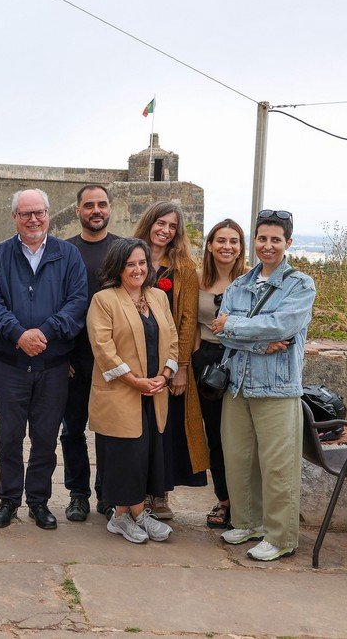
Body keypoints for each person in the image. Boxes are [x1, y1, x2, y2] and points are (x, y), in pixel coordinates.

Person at [0, 189, 87, 530]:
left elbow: (77, 301)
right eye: (25, 214)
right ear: (14, 217)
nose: (33, 219)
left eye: (38, 212)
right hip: (11, 364)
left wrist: (46, 331)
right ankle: (9, 499)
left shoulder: (67, 255)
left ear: (48, 213)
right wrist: (18, 334)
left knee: (45, 438)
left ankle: (38, 502)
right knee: (8, 436)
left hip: (54, 365)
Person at [214, 209, 315, 561]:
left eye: (275, 239)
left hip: (277, 388)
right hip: (237, 386)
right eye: (262, 238)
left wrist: (235, 325)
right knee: (238, 460)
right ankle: (247, 522)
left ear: (288, 243)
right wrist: (255, 339)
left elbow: (282, 327)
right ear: (254, 241)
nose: (267, 245)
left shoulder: (300, 284)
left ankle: (280, 536)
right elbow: (221, 332)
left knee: (277, 465)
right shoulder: (238, 285)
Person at [87, 238, 179, 544]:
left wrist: (165, 375)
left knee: (147, 455)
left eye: (142, 263)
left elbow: (174, 341)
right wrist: (135, 381)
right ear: (118, 267)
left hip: (155, 392)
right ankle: (136, 515)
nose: (138, 269)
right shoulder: (105, 300)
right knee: (126, 456)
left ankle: (123, 516)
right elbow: (103, 349)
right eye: (130, 264)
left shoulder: (158, 297)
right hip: (122, 393)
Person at [132, 202, 209, 519]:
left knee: (165, 430)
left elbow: (189, 319)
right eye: (160, 223)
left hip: (167, 363)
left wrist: (180, 368)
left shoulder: (185, 268)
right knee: (135, 429)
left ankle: (159, 495)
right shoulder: (130, 257)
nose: (165, 230)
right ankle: (133, 493)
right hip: (134, 359)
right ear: (149, 223)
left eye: (172, 226)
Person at [62, 185, 119, 520]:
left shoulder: (123, 250)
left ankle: (107, 494)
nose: (96, 210)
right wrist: (63, 354)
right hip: (74, 359)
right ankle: (78, 494)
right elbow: (57, 303)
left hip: (113, 360)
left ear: (109, 208)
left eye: (102, 204)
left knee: (109, 431)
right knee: (72, 430)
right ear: (78, 211)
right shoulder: (64, 251)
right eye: (89, 205)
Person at [193, 219, 248, 529]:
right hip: (208, 361)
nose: (227, 246)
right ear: (210, 245)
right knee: (215, 435)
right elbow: (192, 324)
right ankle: (224, 500)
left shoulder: (250, 281)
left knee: (240, 436)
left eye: (234, 241)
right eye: (221, 240)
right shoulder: (198, 279)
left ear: (241, 247)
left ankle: (245, 503)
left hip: (241, 360)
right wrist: (191, 361)